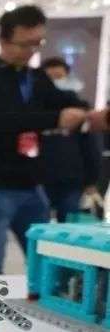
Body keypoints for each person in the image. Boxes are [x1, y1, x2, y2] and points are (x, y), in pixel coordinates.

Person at [0, 5, 108, 274]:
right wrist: (55, 119)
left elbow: (63, 101)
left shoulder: (35, 77)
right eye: (24, 44)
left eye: (37, 43)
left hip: (31, 184)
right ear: (4, 40)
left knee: (46, 261)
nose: (31, 50)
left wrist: (90, 113)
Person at [38, 56, 104, 222]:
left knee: (69, 224)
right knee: (38, 226)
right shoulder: (34, 111)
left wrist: (91, 181)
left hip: (72, 181)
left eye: (59, 77)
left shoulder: (80, 110)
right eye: (50, 78)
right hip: (39, 179)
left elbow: (91, 147)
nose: (55, 82)